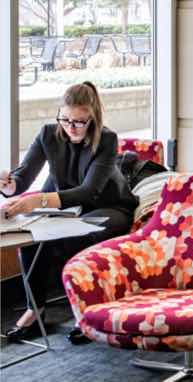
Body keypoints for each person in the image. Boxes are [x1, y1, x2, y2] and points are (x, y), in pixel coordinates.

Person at [0, 82, 138, 344]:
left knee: (82, 236)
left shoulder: (107, 139)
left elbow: (89, 191)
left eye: (79, 121)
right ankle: (35, 309)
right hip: (64, 205)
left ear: (92, 117)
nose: (70, 127)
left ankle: (85, 311)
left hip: (108, 205)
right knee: (31, 235)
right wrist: (10, 186)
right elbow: (24, 177)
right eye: (65, 119)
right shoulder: (47, 134)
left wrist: (37, 201)